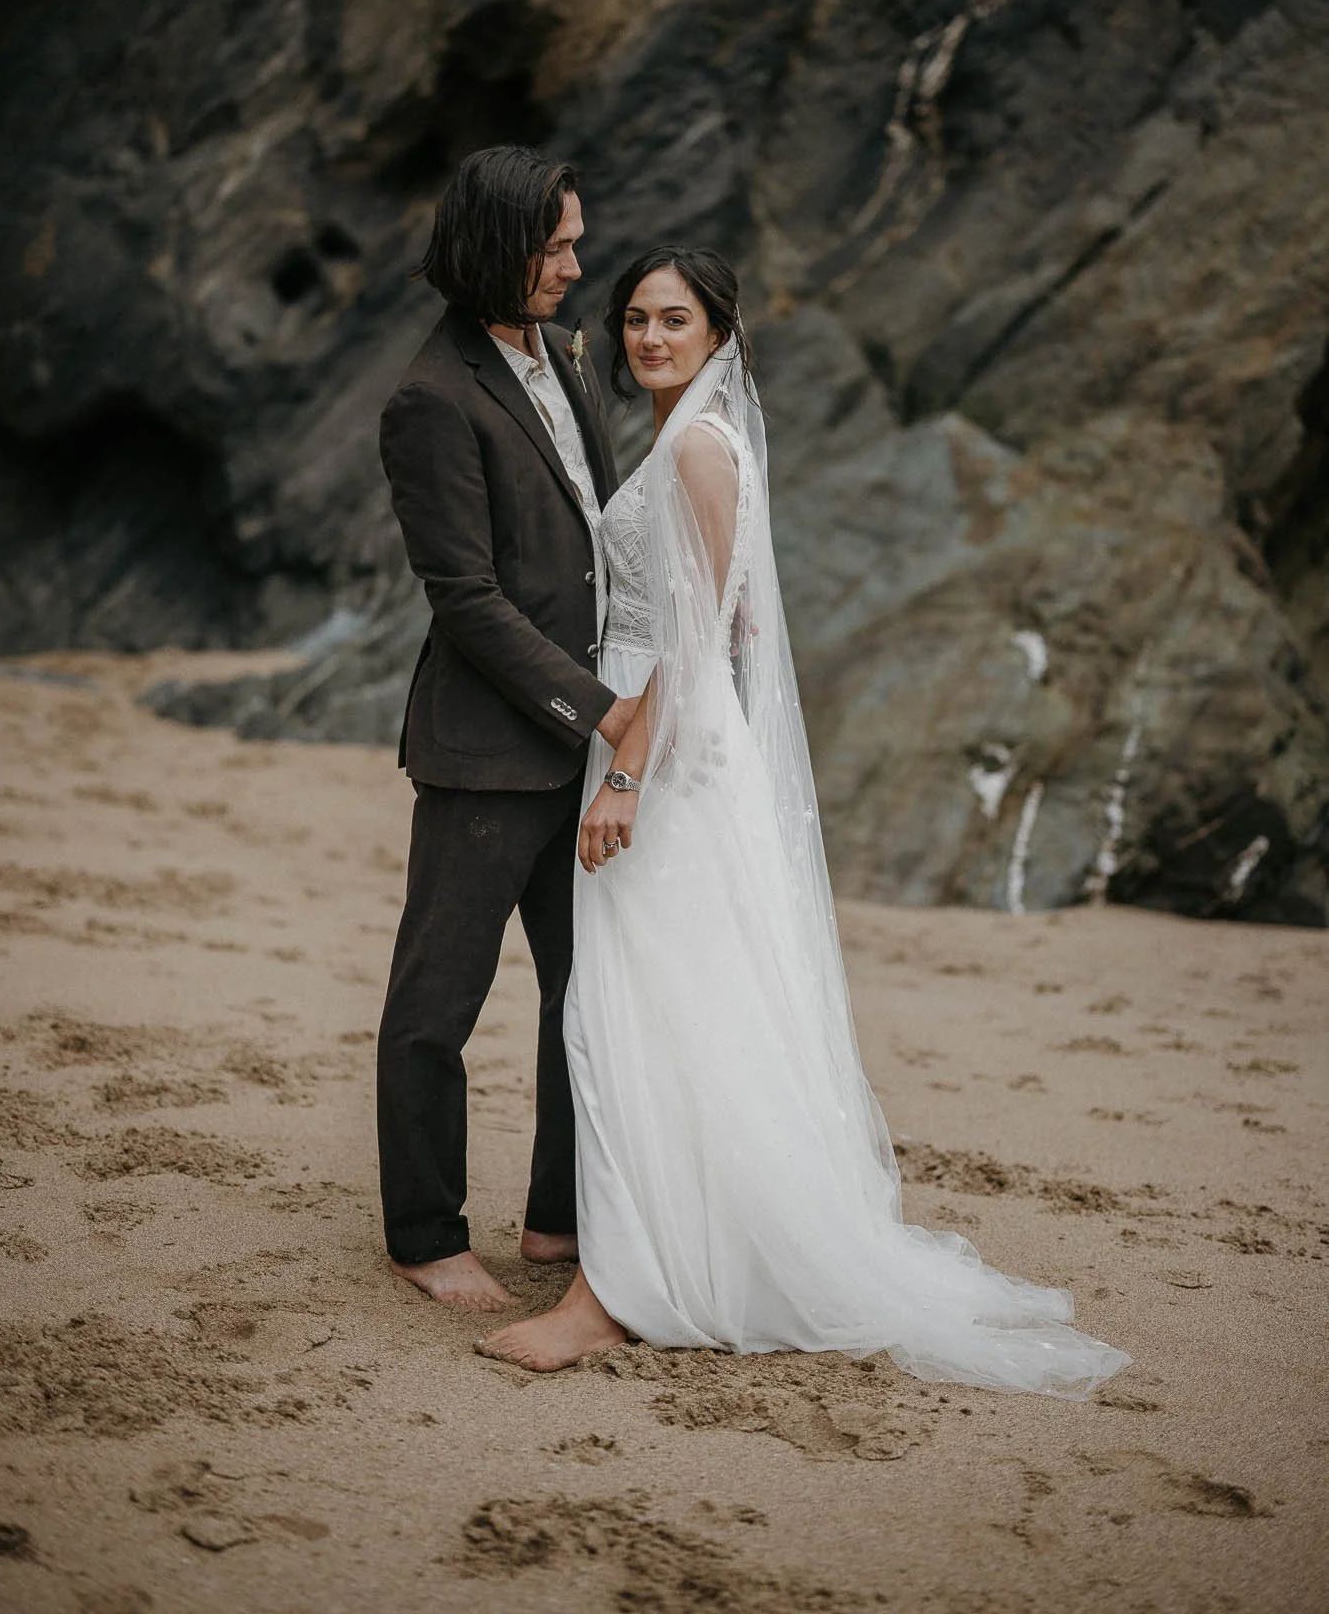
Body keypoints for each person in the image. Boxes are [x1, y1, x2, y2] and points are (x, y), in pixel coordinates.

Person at [477, 247, 1131, 1397]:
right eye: (635, 318)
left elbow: (697, 635)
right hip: (667, 735)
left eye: (673, 319)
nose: (647, 337)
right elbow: (727, 627)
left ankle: (615, 1294)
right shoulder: (691, 438)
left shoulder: (695, 447)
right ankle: (658, 1249)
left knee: (635, 1008)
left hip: (659, 753)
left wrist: (627, 771)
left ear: (719, 332)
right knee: (657, 1003)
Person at [376, 145, 637, 1310]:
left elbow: (595, 538)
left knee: (585, 996)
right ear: (494, 249)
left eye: (575, 241)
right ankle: (424, 1234)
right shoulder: (429, 400)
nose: (575, 268)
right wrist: (600, 706)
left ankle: (555, 1218)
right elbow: (467, 599)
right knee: (437, 1004)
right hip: (484, 755)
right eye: (553, 247)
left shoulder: (564, 354)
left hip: (581, 753)